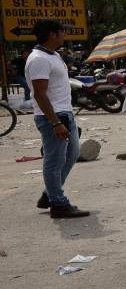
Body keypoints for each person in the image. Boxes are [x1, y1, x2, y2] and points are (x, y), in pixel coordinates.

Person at [26, 19, 88, 218]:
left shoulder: (53, 56)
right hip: (52, 116)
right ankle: (58, 204)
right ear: (52, 34)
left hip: (64, 113)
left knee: (71, 155)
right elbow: (40, 94)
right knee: (54, 161)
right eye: (62, 31)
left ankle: (49, 194)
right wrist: (55, 122)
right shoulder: (39, 59)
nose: (65, 35)